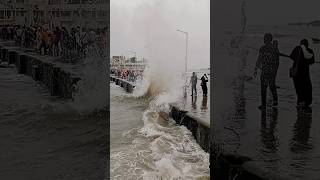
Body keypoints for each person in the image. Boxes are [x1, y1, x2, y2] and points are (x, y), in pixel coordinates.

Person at [254, 33, 278, 109]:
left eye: (265, 38)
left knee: (271, 86)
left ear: (269, 39)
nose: (264, 40)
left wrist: (275, 71)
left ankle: (275, 100)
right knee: (264, 87)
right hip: (265, 70)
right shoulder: (263, 48)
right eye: (264, 38)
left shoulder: (274, 48)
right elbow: (259, 58)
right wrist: (256, 68)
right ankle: (264, 104)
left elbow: (277, 61)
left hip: (270, 70)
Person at [289, 39, 314, 110]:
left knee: (298, 89)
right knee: (307, 88)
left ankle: (300, 103)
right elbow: (312, 61)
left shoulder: (297, 48)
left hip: (296, 73)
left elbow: (291, 57)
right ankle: (306, 103)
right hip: (305, 73)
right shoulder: (310, 51)